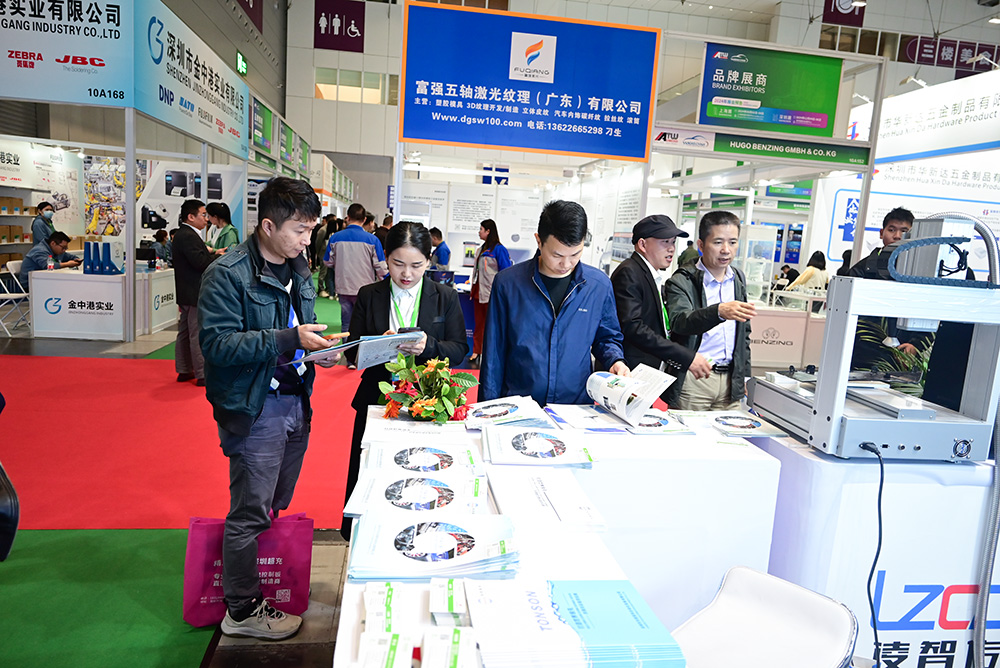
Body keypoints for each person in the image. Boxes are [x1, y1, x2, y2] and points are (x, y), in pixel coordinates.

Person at [199, 176, 336, 641]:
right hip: (255, 406)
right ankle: (241, 609)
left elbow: (299, 328)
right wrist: (288, 338)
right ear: (268, 225)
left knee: (275, 502)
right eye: (299, 230)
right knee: (249, 513)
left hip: (296, 399)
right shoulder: (227, 273)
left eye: (310, 229)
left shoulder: (299, 267)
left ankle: (262, 581)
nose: (306, 239)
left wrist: (317, 350)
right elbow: (216, 345)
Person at [342, 222, 468, 540]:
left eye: (416, 265)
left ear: (428, 260)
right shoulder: (369, 295)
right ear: (386, 258)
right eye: (398, 264)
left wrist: (430, 346)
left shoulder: (444, 297)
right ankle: (365, 537)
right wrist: (378, 346)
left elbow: (459, 350)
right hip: (377, 400)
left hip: (427, 404)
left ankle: (420, 536)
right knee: (370, 474)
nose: (406, 274)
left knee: (421, 480)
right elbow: (353, 352)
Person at [481, 200, 629, 405]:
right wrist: (487, 409)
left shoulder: (598, 286)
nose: (566, 264)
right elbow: (493, 354)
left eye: (575, 254)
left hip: (575, 408)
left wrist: (615, 360)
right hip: (519, 406)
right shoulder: (508, 284)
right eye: (556, 255)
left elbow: (607, 338)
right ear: (539, 241)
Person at [665, 211, 755, 410]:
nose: (726, 250)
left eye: (733, 242)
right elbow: (680, 322)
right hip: (695, 380)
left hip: (731, 380)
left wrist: (744, 376)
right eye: (718, 242)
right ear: (701, 244)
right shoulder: (683, 280)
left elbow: (744, 333)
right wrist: (718, 312)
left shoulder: (738, 278)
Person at [610, 215, 713, 390]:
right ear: (643, 244)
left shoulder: (651, 274)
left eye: (673, 242)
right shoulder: (630, 272)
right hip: (630, 375)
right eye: (665, 242)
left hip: (649, 373)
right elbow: (633, 327)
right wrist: (684, 356)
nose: (671, 248)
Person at [846, 207, 930, 368]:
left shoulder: (921, 273)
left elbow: (928, 313)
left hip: (904, 356)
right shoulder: (862, 270)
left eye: (904, 231)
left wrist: (916, 345)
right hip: (863, 354)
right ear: (881, 233)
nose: (897, 236)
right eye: (892, 230)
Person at [172, 199, 218, 386]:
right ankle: (202, 373)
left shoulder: (184, 234)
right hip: (194, 291)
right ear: (191, 217)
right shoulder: (188, 236)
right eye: (203, 215)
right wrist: (218, 258)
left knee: (185, 331)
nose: (206, 219)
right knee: (196, 332)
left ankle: (184, 369)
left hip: (187, 291)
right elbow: (200, 263)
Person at [324, 204, 388, 336]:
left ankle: (347, 348)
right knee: (364, 323)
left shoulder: (335, 238)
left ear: (347, 217)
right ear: (364, 219)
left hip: (343, 286)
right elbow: (381, 266)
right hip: (365, 288)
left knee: (346, 323)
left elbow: (327, 262)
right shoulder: (372, 240)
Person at [468, 219, 512, 367]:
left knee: (492, 325)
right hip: (478, 292)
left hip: (492, 293)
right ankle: (476, 350)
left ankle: (491, 353)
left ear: (488, 231)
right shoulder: (481, 249)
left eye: (481, 229)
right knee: (479, 324)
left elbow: (506, 272)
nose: (479, 232)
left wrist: (502, 292)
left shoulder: (499, 250)